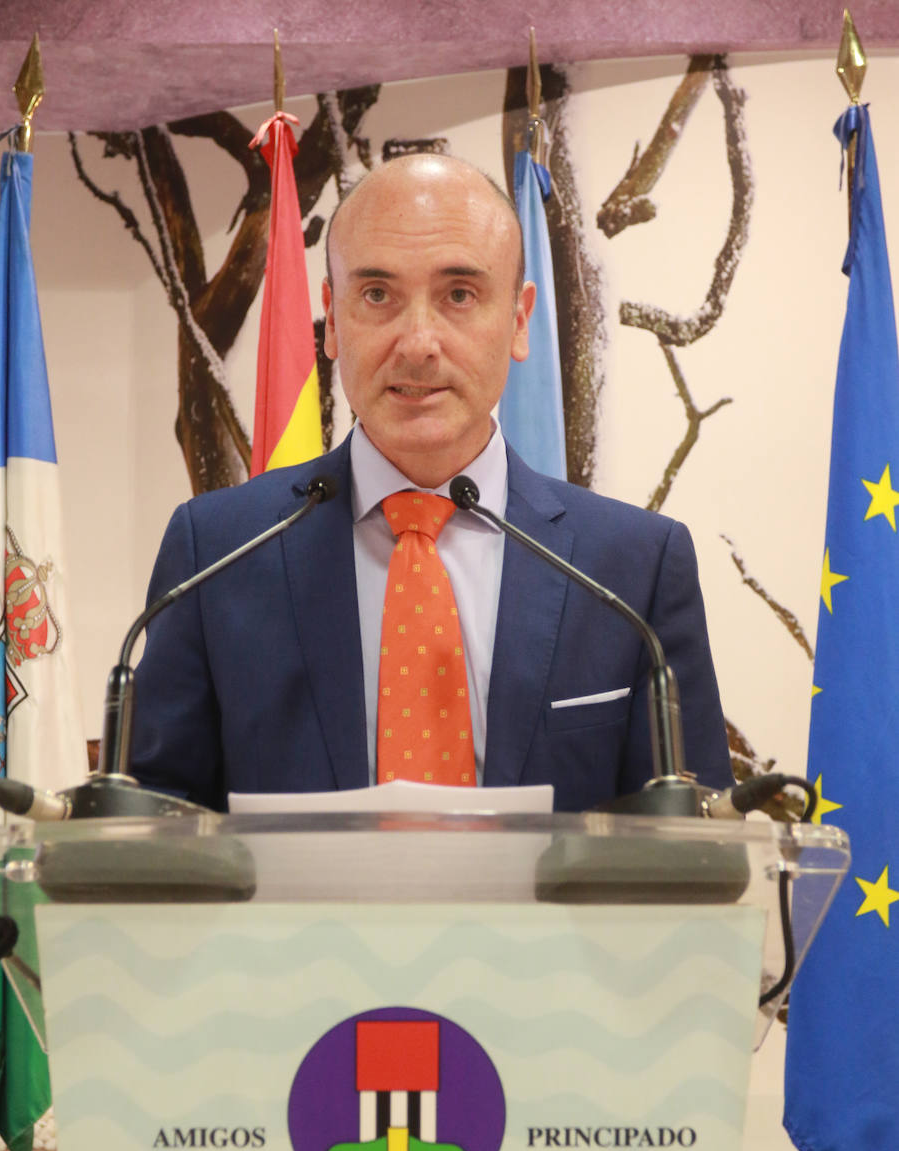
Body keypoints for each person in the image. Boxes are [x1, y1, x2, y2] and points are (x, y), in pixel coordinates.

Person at [130, 153, 731, 812]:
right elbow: (160, 831)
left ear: (520, 319)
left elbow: (690, 847)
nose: (418, 342)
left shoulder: (634, 568)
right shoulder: (215, 552)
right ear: (332, 317)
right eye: (378, 294)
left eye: (460, 295)